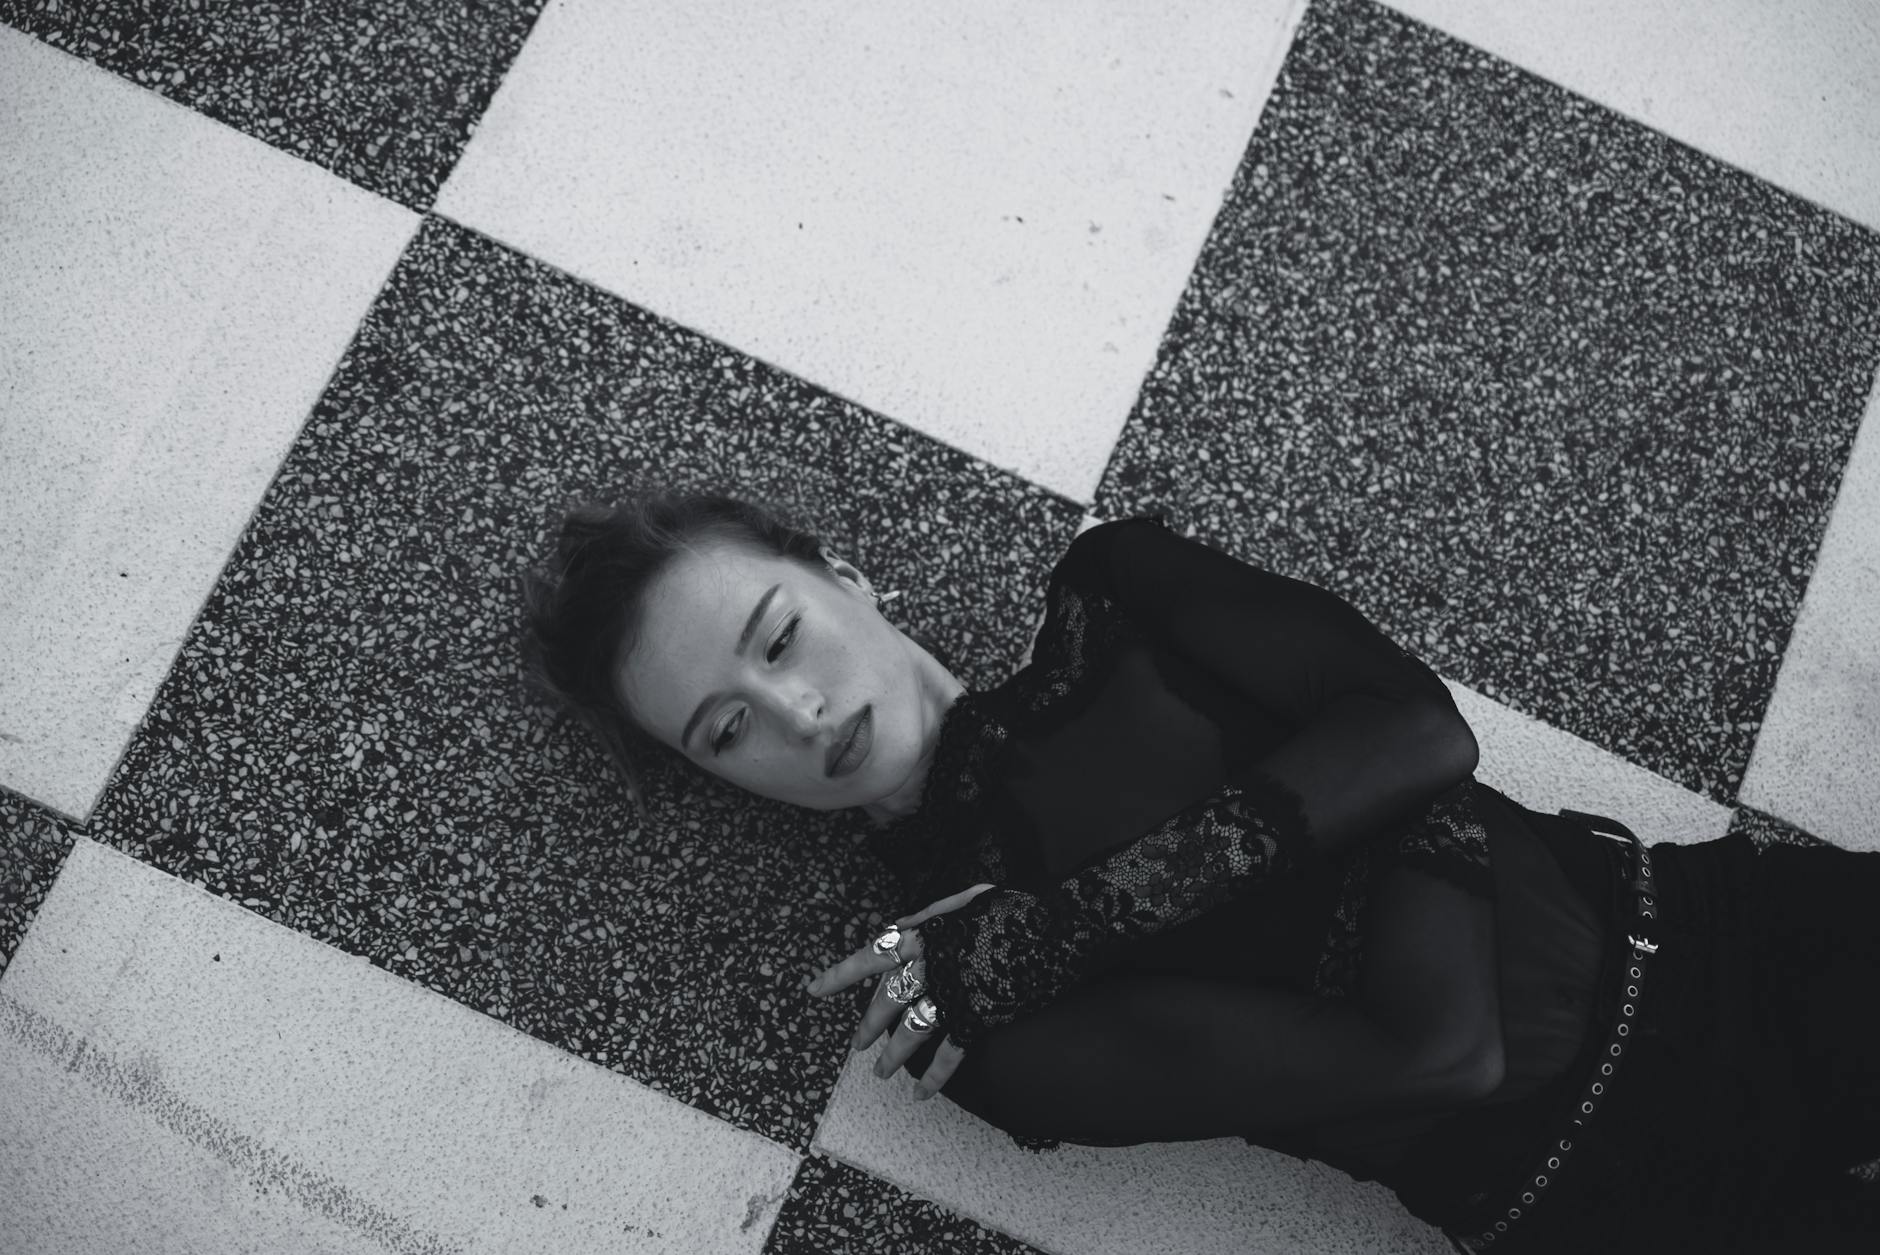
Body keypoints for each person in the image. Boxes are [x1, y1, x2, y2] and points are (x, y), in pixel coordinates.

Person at [520, 482, 1880, 1253]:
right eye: (727, 729)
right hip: (1622, 1214)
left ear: (844, 575)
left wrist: (1069, 923)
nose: (799, 714)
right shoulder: (958, 1021)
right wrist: (1370, 799)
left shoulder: (1122, 592)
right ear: (720, 780)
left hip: (1729, 941)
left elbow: (1422, 729)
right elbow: (1442, 1052)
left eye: (777, 636)